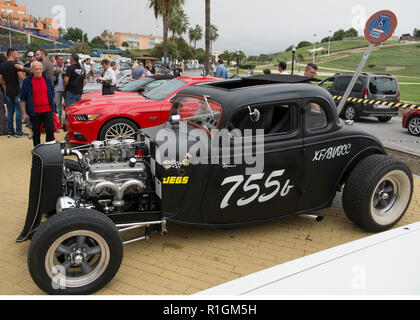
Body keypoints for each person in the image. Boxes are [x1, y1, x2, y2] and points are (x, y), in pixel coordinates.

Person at [20, 61, 55, 147]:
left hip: (47, 110)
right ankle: (37, 149)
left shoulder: (47, 79)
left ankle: (48, 148)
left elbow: (52, 94)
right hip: (34, 112)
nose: (38, 71)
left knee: (50, 131)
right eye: (36, 69)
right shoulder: (26, 82)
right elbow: (22, 99)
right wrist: (24, 113)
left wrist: (53, 108)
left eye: (40, 69)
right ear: (31, 70)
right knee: (36, 133)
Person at [0, 48, 27, 138]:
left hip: (8, 90)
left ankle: (11, 131)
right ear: (12, 54)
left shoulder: (2, 66)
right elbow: (21, 77)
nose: (18, 55)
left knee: (10, 111)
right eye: (16, 54)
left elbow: (0, 80)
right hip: (16, 89)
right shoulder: (16, 64)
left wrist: (5, 87)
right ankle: (19, 132)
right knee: (18, 111)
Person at [54, 55, 66, 125]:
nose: (62, 61)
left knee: (67, 106)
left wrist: (62, 72)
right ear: (57, 60)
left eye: (62, 59)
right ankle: (59, 122)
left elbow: (69, 75)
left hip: (65, 89)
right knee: (58, 107)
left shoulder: (66, 67)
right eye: (60, 59)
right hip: (57, 89)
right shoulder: (54, 68)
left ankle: (66, 122)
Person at [0, 54, 8, 135]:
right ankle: (4, 129)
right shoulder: (2, 67)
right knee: (1, 110)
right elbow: (2, 81)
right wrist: (6, 92)